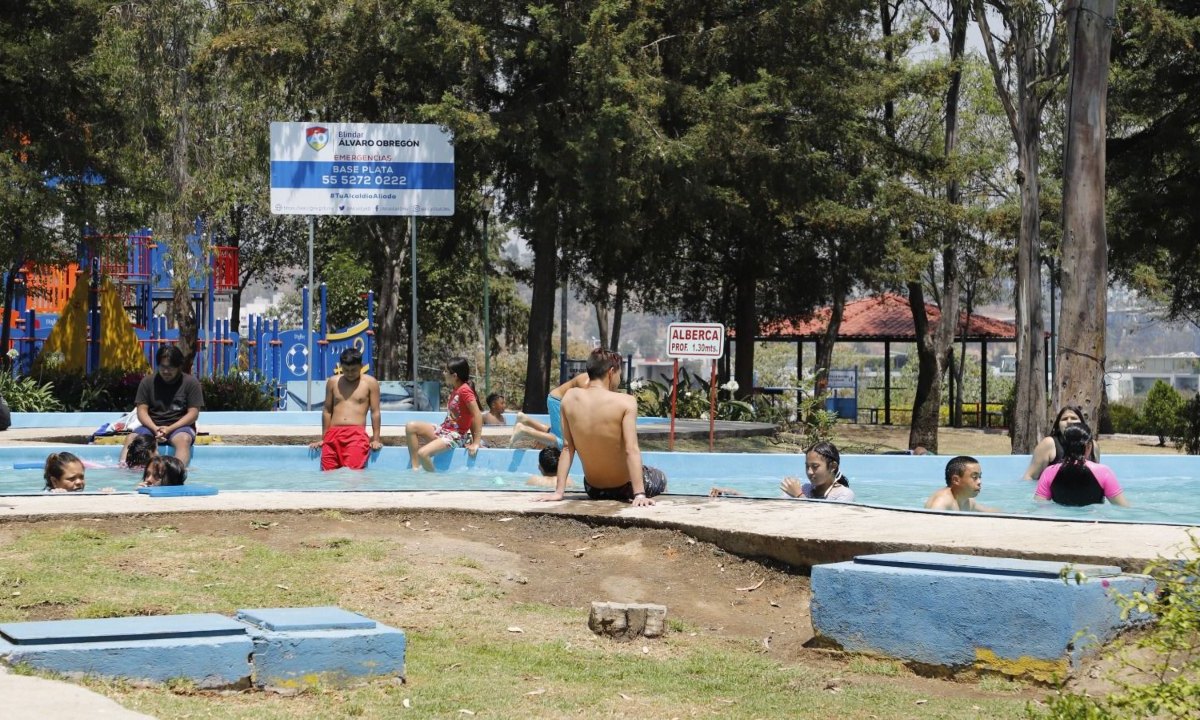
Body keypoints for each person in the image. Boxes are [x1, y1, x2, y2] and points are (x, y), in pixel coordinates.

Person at [538, 348, 665, 506]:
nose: (620, 378)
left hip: (593, 489)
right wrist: (639, 494)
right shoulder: (626, 402)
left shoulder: (569, 398)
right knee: (659, 476)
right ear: (611, 372)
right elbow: (631, 449)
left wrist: (558, 492)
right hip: (626, 488)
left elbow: (567, 449)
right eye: (620, 373)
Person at [121, 345, 204, 467]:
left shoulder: (191, 383)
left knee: (184, 440)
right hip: (151, 426)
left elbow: (193, 414)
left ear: (179, 366)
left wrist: (169, 429)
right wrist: (155, 428)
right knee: (131, 438)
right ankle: (123, 469)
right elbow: (141, 411)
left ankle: (177, 471)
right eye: (162, 367)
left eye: (170, 368)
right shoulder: (147, 382)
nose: (166, 371)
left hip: (180, 427)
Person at [308, 348, 383, 471]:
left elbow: (375, 412)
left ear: (361, 366)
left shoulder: (370, 383)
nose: (349, 373)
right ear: (341, 366)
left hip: (356, 435)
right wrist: (324, 438)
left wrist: (375, 439)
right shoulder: (333, 382)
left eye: (353, 370)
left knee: (352, 475)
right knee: (327, 475)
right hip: (333, 434)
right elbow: (327, 411)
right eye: (346, 370)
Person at [405, 357, 483, 471]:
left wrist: (476, 442)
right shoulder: (456, 389)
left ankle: (435, 482)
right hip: (443, 430)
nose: (443, 373)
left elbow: (477, 415)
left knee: (423, 453)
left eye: (446, 371)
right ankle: (415, 469)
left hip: (456, 436)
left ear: (455, 376)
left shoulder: (465, 390)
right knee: (410, 426)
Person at [1035, 424, 1129, 507]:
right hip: (1092, 523)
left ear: (1065, 446)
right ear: (1089, 446)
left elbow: (1040, 507)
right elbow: (1123, 508)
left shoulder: (1048, 473)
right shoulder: (1104, 472)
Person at [510, 371, 592, 448]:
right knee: (563, 442)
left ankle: (525, 420)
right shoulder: (586, 381)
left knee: (556, 432)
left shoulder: (591, 379)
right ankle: (524, 430)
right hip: (558, 401)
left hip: (558, 400)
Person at [1021, 406, 1099, 481]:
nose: (1069, 422)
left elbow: (1097, 475)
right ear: (1058, 425)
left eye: (1074, 418)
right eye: (1064, 419)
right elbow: (1029, 477)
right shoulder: (1048, 444)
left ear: (1082, 423)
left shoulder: (1093, 445)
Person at [780, 442, 855, 502]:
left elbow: (825, 518)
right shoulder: (804, 489)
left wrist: (799, 496)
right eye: (807, 466)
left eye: (815, 466)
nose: (809, 472)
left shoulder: (844, 494)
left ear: (833, 467)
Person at [924, 455, 998, 512]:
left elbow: (990, 511)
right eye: (974, 477)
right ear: (956, 480)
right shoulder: (941, 503)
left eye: (980, 476)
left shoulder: (966, 501)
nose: (979, 482)